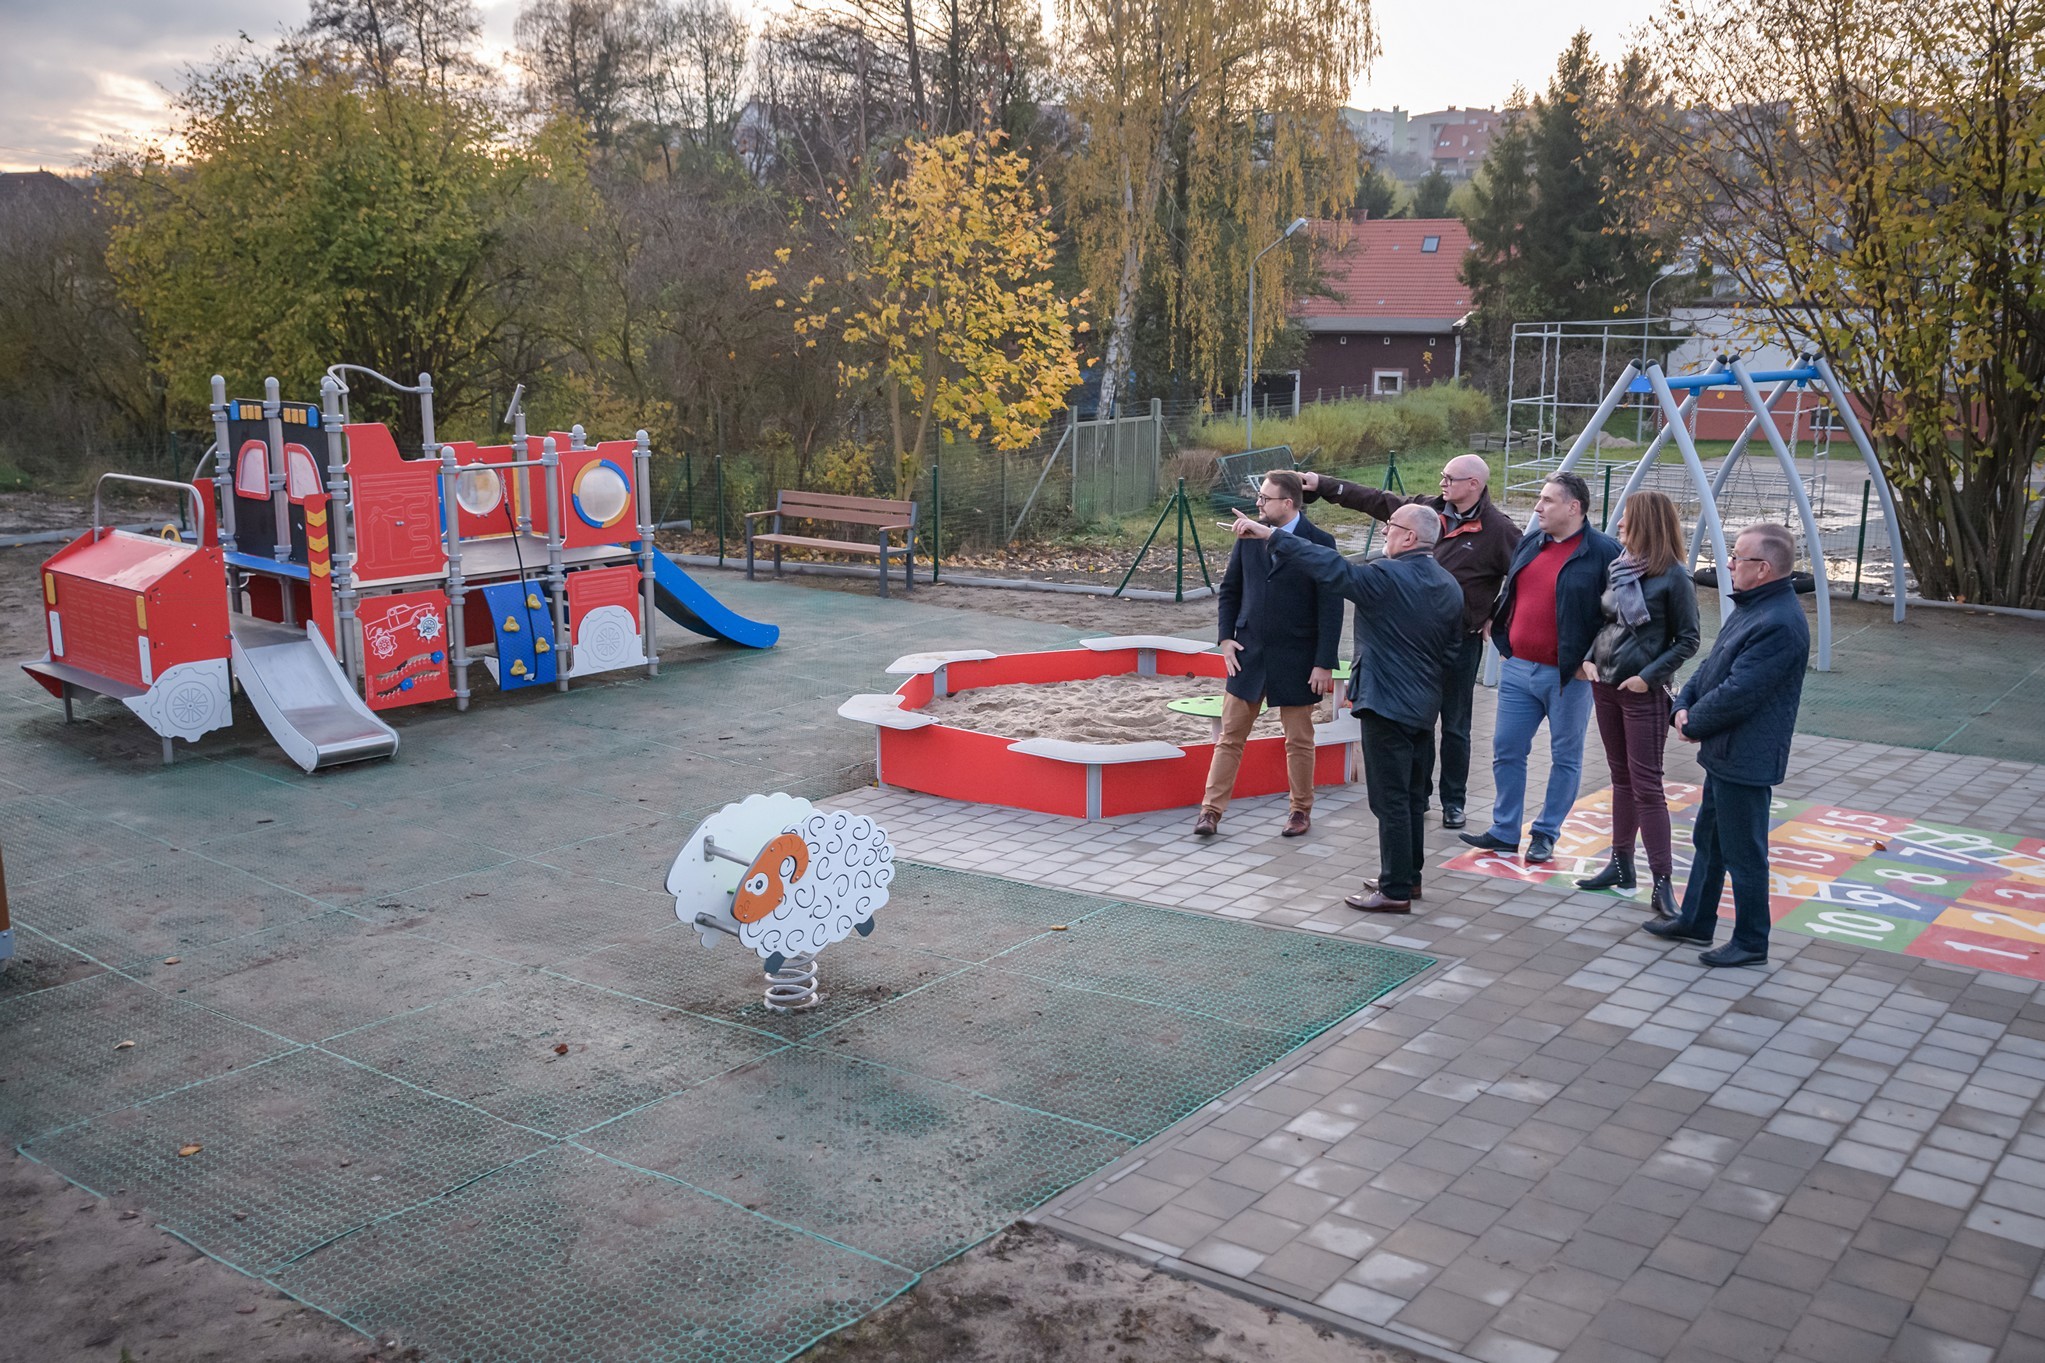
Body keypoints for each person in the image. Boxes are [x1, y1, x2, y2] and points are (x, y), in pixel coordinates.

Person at [1233, 503, 1464, 912]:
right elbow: (1452, 654)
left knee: (1388, 799)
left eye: (1390, 527)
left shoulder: (1384, 577)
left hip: (1385, 705)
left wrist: (1272, 536)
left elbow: (1330, 566)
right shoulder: (1449, 584)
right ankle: (1408, 877)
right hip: (1424, 705)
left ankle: (1393, 891)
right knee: (1412, 797)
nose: (1385, 533)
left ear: (1409, 537)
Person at [1301, 454, 1519, 830]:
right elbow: (1374, 500)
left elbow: (1524, 574)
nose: (1442, 482)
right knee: (1417, 722)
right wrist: (1324, 485)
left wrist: (1498, 614)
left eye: (1451, 477)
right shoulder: (1426, 511)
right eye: (1442, 474)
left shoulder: (1498, 529)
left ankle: (1453, 800)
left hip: (1458, 643)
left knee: (1455, 725)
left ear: (1475, 485)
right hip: (1410, 643)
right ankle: (1418, 797)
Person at [1646, 523, 1809, 967]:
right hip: (1726, 752)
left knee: (1744, 851)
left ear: (1766, 568)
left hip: (1747, 756)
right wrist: (1683, 702)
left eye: (1739, 558)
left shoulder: (1778, 622)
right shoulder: (1753, 606)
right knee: (1711, 840)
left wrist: (1692, 722)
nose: (1730, 564)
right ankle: (1697, 920)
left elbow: (1741, 690)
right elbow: (1714, 664)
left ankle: (1752, 941)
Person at [1460, 471, 1620, 864]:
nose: (1537, 506)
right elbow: (1512, 591)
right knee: (1506, 750)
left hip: (1569, 677)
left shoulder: (1604, 553)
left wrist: (1592, 660)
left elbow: (1618, 618)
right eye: (1540, 498)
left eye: (1547, 500)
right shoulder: (1531, 542)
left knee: (1566, 756)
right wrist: (1498, 628)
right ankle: (1504, 830)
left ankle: (1546, 833)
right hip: (1518, 668)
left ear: (1574, 507)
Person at [1194, 470, 1343, 838]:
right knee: (1230, 736)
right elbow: (1230, 591)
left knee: (1299, 739)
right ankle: (1210, 812)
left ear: (1288, 503)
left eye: (1265, 499)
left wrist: (1324, 662)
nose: (1258, 504)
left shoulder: (1320, 542)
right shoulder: (1247, 537)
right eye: (1259, 498)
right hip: (1248, 653)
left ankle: (1299, 811)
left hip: (1297, 656)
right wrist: (1225, 639)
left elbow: (1331, 606)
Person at [1573, 490, 1701, 920]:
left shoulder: (1674, 577)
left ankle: (1662, 883)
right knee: (1620, 779)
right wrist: (1590, 659)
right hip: (1604, 685)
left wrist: (1646, 679)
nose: (1620, 525)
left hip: (1641, 692)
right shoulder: (1620, 568)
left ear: (1647, 523)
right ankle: (1620, 864)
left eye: (1627, 519)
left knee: (1648, 787)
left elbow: (1688, 640)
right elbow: (1607, 622)